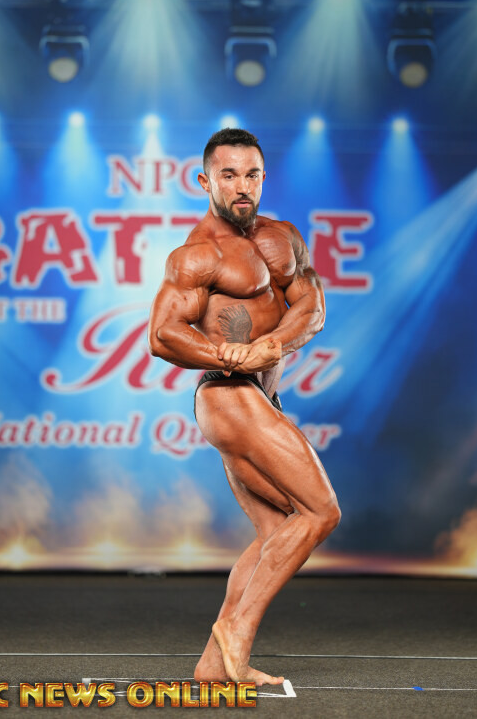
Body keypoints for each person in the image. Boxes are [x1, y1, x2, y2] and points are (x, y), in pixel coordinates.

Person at [148, 128, 341, 686]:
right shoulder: (197, 255)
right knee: (320, 512)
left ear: (263, 177)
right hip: (227, 393)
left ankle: (213, 667)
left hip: (262, 394)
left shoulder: (284, 237)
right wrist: (226, 354)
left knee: (276, 528)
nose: (242, 186)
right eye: (228, 175)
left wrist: (271, 345)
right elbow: (162, 334)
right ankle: (236, 628)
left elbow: (312, 306)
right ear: (204, 181)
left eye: (251, 174)